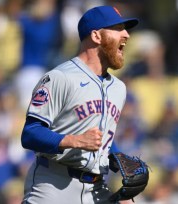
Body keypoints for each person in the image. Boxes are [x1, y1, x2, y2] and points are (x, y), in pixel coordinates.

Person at [20, 5, 139, 204]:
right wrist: (75, 141)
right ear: (96, 36)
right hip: (53, 185)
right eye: (118, 28)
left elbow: (101, 139)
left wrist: (120, 162)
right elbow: (30, 133)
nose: (126, 34)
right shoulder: (60, 77)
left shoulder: (119, 88)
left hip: (96, 189)